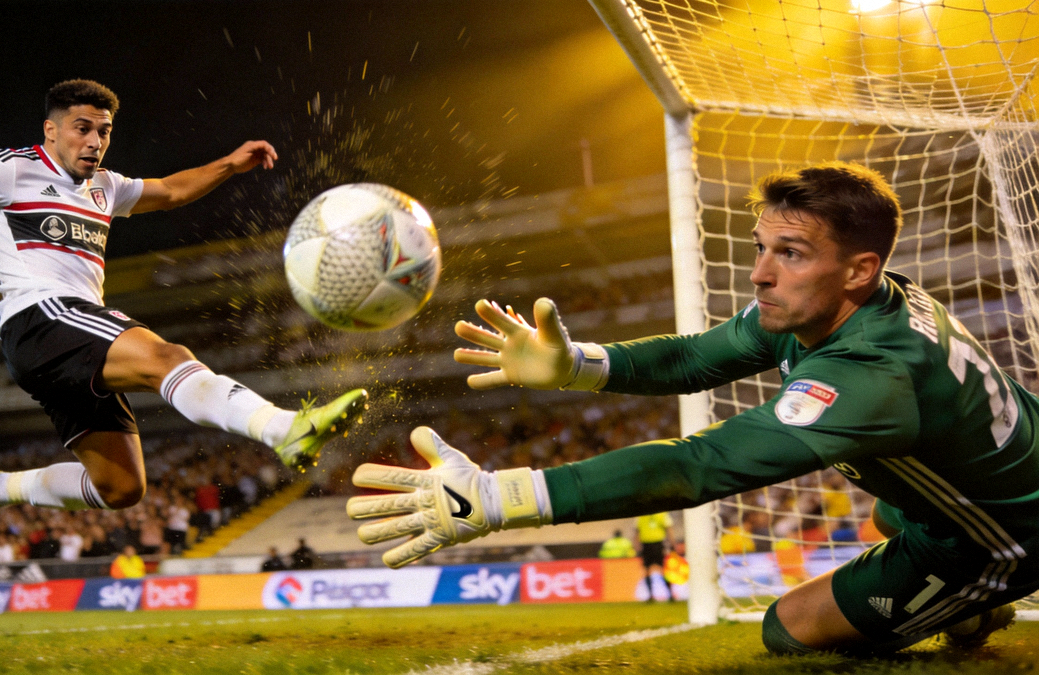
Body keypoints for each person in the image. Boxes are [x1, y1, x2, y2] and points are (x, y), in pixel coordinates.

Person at [347, 162, 1038, 654]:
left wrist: (504, 496)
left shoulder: (872, 375)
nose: (760, 273)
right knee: (889, 505)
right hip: (1001, 470)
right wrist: (579, 364)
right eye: (762, 247)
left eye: (790, 254)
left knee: (787, 628)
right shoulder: (851, 301)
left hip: (1011, 531)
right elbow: (694, 358)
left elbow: (702, 465)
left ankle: (983, 593)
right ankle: (957, 582)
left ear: (859, 268)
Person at [0, 79, 368, 549]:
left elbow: (170, 190)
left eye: (105, 131)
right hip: (40, 318)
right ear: (51, 130)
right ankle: (282, 428)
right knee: (167, 357)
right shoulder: (9, 169)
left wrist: (231, 164)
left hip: (66, 341)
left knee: (120, 488)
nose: (94, 141)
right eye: (82, 128)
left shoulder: (106, 186)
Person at [635, 513, 673, 602]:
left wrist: (637, 545)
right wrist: (672, 543)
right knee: (660, 569)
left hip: (650, 544)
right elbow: (669, 529)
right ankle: (668, 595)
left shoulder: (641, 515)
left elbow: (637, 532)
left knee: (648, 570)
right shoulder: (662, 514)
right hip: (655, 544)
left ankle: (653, 595)